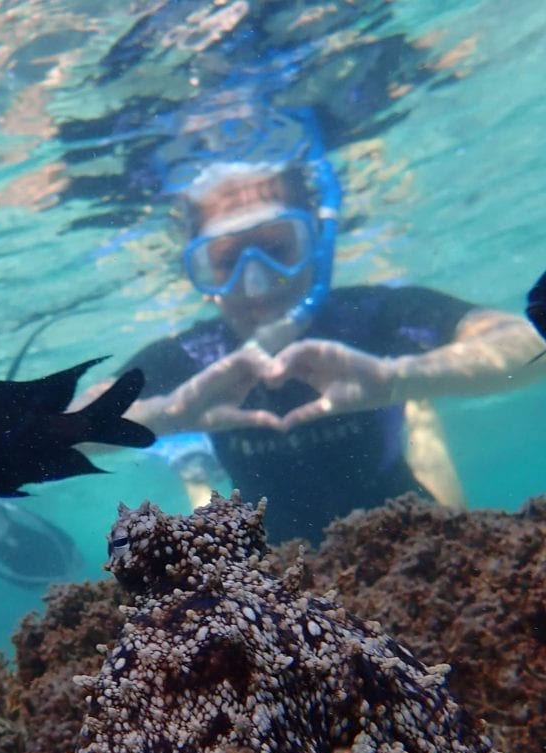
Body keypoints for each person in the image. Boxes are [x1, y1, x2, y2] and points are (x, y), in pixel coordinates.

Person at [82, 110, 546, 544]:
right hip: (273, 566)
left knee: (447, 491)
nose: (258, 284)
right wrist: (167, 415)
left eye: (278, 246)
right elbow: (58, 429)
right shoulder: (190, 357)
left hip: (409, 541)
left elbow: (530, 343)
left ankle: (422, 412)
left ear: (318, 243)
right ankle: (194, 472)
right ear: (200, 276)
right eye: (226, 261)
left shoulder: (368, 314)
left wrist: (400, 379)